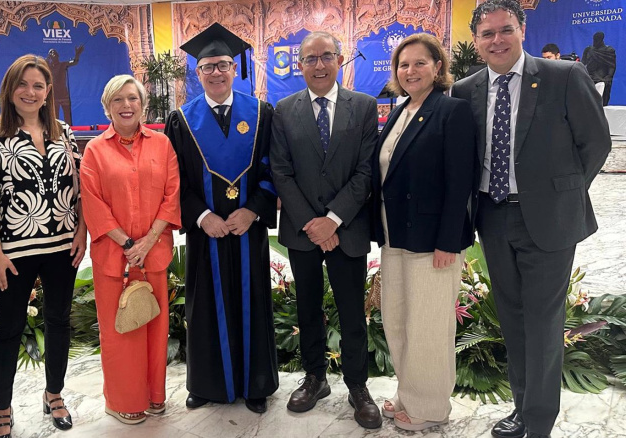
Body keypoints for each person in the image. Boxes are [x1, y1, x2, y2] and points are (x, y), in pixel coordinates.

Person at [452, 0, 611, 438]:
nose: (497, 40)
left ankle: (538, 423)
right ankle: (521, 408)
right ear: (476, 41)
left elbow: (596, 143)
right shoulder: (465, 89)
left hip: (549, 221)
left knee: (542, 320)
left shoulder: (563, 76)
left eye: (506, 29)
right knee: (512, 316)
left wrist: (562, 193)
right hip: (492, 216)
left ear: (522, 30)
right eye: (487, 33)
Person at [165, 22, 278, 414]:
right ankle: (206, 384)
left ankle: (256, 384)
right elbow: (174, 180)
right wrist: (201, 216)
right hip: (206, 234)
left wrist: (253, 210)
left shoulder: (261, 114)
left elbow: (274, 170)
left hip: (248, 230)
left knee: (253, 300)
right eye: (208, 67)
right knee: (205, 306)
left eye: (223, 65)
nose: (216, 72)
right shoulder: (181, 120)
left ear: (235, 69)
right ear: (197, 73)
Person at [269, 31, 381, 427]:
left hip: (347, 229)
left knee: (352, 311)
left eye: (326, 56)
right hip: (302, 231)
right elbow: (281, 172)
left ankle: (357, 386)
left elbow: (366, 171)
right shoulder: (284, 110)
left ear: (340, 59)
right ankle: (315, 378)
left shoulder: (364, 107)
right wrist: (312, 223)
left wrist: (332, 219)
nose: (319, 65)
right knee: (308, 307)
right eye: (311, 59)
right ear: (299, 65)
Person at [0, 54, 87, 435]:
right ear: (9, 89)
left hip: (62, 246)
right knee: (8, 329)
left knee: (58, 322)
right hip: (14, 251)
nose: (30, 92)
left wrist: (82, 230)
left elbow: (79, 187)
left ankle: (53, 394)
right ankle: (2, 408)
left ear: (48, 91)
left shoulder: (64, 131)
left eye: (38, 85)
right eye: (22, 84)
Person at [371, 33, 475, 431]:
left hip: (433, 241)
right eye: (403, 64)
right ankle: (408, 392)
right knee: (398, 319)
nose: (410, 71)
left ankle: (430, 407)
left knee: (428, 325)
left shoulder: (452, 111)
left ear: (438, 67)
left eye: (419, 63)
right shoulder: (401, 111)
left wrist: (449, 240)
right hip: (395, 234)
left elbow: (460, 182)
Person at [81, 75, 181, 425]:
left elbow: (172, 195)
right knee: (120, 332)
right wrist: (127, 243)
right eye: (118, 100)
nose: (126, 105)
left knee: (154, 328)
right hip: (114, 257)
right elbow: (93, 203)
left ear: (143, 104)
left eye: (132, 98)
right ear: (107, 107)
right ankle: (123, 400)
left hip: (153, 254)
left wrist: (148, 241)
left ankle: (154, 395)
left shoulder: (162, 145)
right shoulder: (95, 151)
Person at [47, 46, 83, 125]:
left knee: (67, 116)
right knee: (55, 117)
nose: (53, 54)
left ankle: (69, 129)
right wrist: (48, 58)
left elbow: (74, 62)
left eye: (54, 52)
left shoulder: (63, 65)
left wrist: (77, 54)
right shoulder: (48, 66)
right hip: (54, 95)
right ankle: (56, 130)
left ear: (58, 56)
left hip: (64, 94)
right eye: (51, 53)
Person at [581, 31, 616, 105]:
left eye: (597, 40)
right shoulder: (588, 50)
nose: (595, 42)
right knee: (587, 102)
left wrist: (608, 77)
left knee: (601, 102)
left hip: (602, 78)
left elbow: (611, 66)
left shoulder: (609, 50)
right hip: (589, 77)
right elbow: (582, 63)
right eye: (594, 39)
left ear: (601, 39)